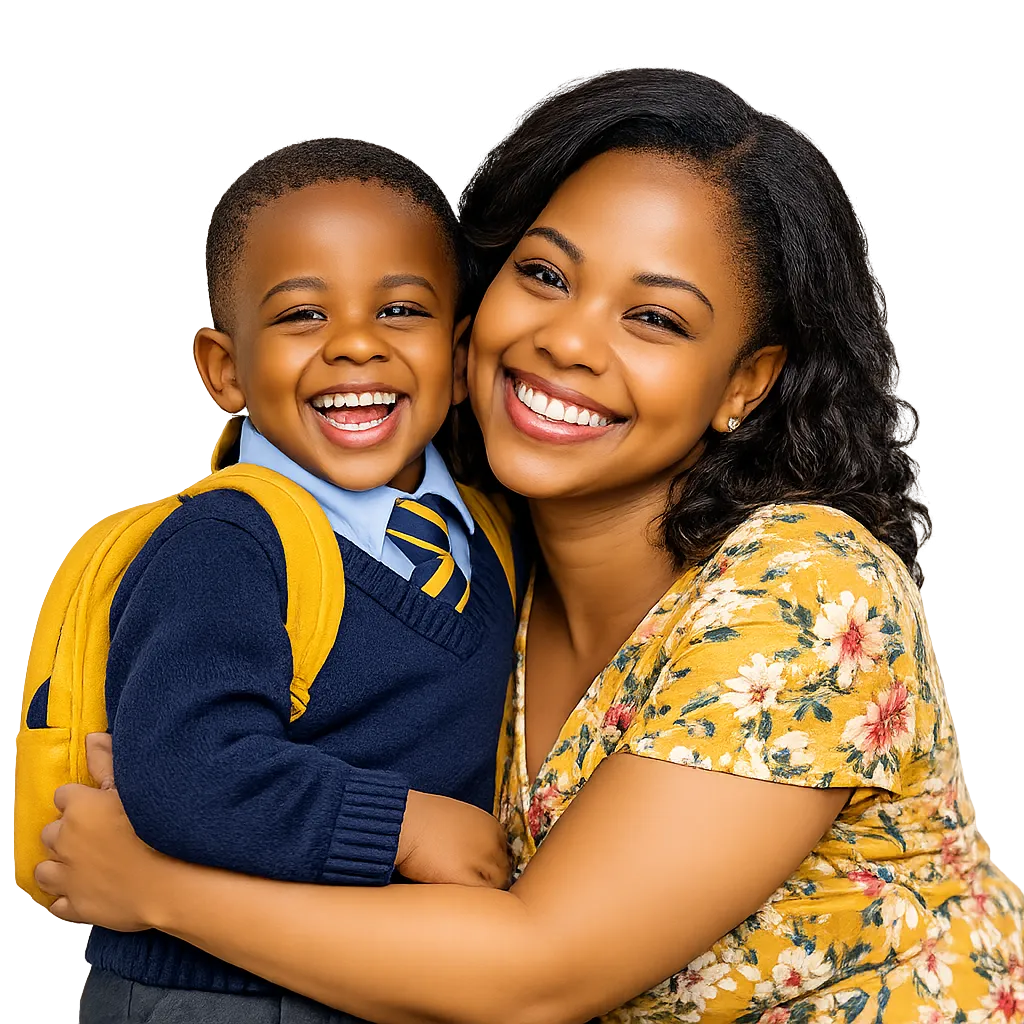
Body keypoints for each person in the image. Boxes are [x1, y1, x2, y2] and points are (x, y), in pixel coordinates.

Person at [36, 69, 1024, 1024]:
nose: (568, 341)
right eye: (545, 275)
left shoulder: (806, 587)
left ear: (744, 384)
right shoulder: (473, 569)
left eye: (654, 318)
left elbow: (536, 974)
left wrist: (156, 889)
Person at [37, 138, 525, 1023]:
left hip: (393, 978)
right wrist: (402, 828)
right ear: (224, 370)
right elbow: (184, 770)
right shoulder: (225, 543)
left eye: (400, 310)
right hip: (214, 994)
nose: (356, 346)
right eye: (302, 315)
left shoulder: (490, 537)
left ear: (459, 359)